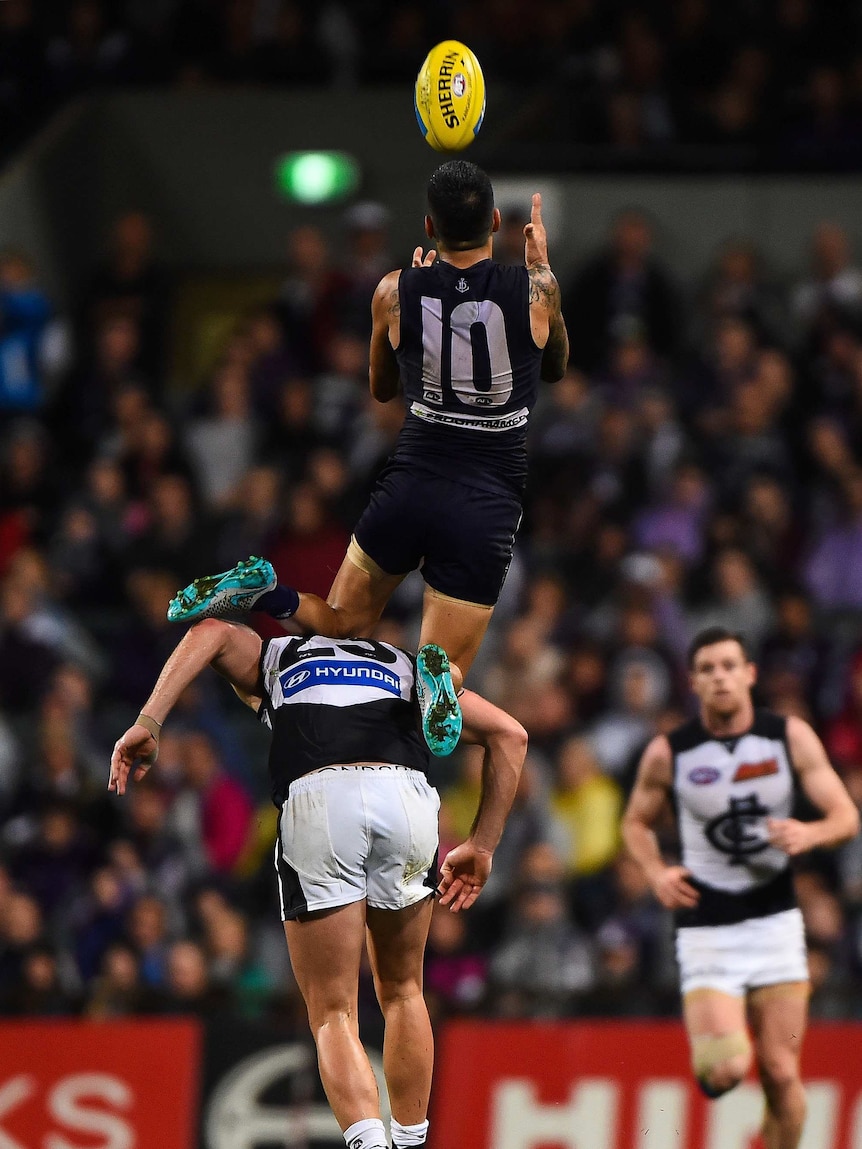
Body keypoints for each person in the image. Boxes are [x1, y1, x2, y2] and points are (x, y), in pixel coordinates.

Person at [165, 159, 569, 757]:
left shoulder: (392, 291)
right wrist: (539, 267)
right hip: (485, 499)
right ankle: (440, 677)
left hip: (411, 483)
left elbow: (381, 389)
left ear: (429, 225)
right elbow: (555, 365)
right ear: (497, 222)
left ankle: (266, 592)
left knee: (342, 625)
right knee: (450, 663)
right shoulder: (535, 289)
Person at [108, 617, 527, 1149]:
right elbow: (512, 736)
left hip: (322, 793)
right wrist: (482, 846)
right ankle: (412, 1141)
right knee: (404, 991)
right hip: (408, 794)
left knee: (333, 1009)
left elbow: (209, 632)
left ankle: (369, 1144)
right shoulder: (404, 665)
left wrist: (150, 720)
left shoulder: (281, 654)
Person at [622, 626, 859, 1149]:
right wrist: (656, 871)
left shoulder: (788, 736)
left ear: (750, 674)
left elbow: (845, 815)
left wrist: (810, 832)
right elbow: (634, 823)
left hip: (774, 923)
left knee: (780, 1072)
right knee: (728, 1071)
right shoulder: (670, 752)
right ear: (694, 683)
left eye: (729, 666)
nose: (720, 677)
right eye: (708, 669)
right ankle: (720, 1060)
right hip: (707, 929)